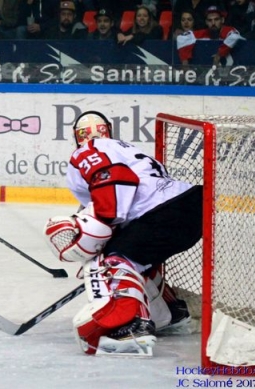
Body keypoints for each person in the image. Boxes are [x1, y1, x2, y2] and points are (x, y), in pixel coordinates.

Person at [44, 110, 200, 356]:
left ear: (78, 136)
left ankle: (128, 328)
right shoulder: (125, 149)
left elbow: (115, 180)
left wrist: (98, 230)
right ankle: (171, 314)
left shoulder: (86, 151)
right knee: (133, 257)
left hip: (160, 213)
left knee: (113, 262)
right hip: (191, 207)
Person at [177, 5, 244, 66]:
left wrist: (219, 55)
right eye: (210, 20)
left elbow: (234, 36)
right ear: (206, 22)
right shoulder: (202, 33)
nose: (213, 23)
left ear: (222, 20)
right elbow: (181, 37)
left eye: (216, 19)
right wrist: (185, 62)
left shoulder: (228, 30)